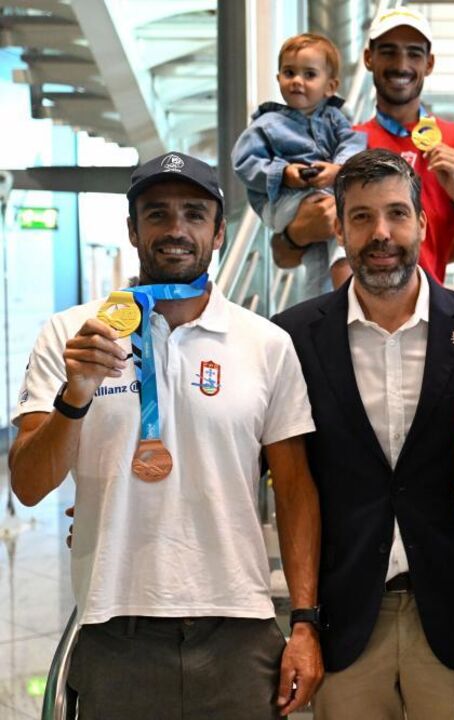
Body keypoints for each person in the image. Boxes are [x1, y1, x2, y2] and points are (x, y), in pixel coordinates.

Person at [9, 152, 324, 718]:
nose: (176, 229)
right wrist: (75, 392)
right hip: (114, 626)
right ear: (132, 229)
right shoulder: (70, 334)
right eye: (156, 214)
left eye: (194, 214)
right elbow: (29, 486)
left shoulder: (266, 343)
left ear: (220, 231)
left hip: (239, 627)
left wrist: (303, 623)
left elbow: (296, 491)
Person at [273, 149, 454, 720]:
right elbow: (278, 477)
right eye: (360, 217)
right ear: (338, 228)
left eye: (397, 214)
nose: (381, 233)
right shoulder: (293, 338)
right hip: (348, 619)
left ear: (424, 224)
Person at [335, 7, 454, 287]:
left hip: (429, 315)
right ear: (368, 58)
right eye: (388, 51)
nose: (401, 65)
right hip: (353, 315)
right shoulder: (346, 143)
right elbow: (288, 251)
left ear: (430, 63)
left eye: (414, 53)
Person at [233, 32, 367, 300]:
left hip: (323, 193)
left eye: (309, 75)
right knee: (346, 219)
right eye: (289, 72)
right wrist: (283, 174)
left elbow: (353, 143)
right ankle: (350, 288)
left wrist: (337, 169)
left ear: (330, 86)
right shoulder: (267, 123)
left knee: (318, 259)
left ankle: (323, 307)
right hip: (284, 200)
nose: (297, 81)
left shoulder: (336, 118)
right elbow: (244, 162)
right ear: (278, 78)